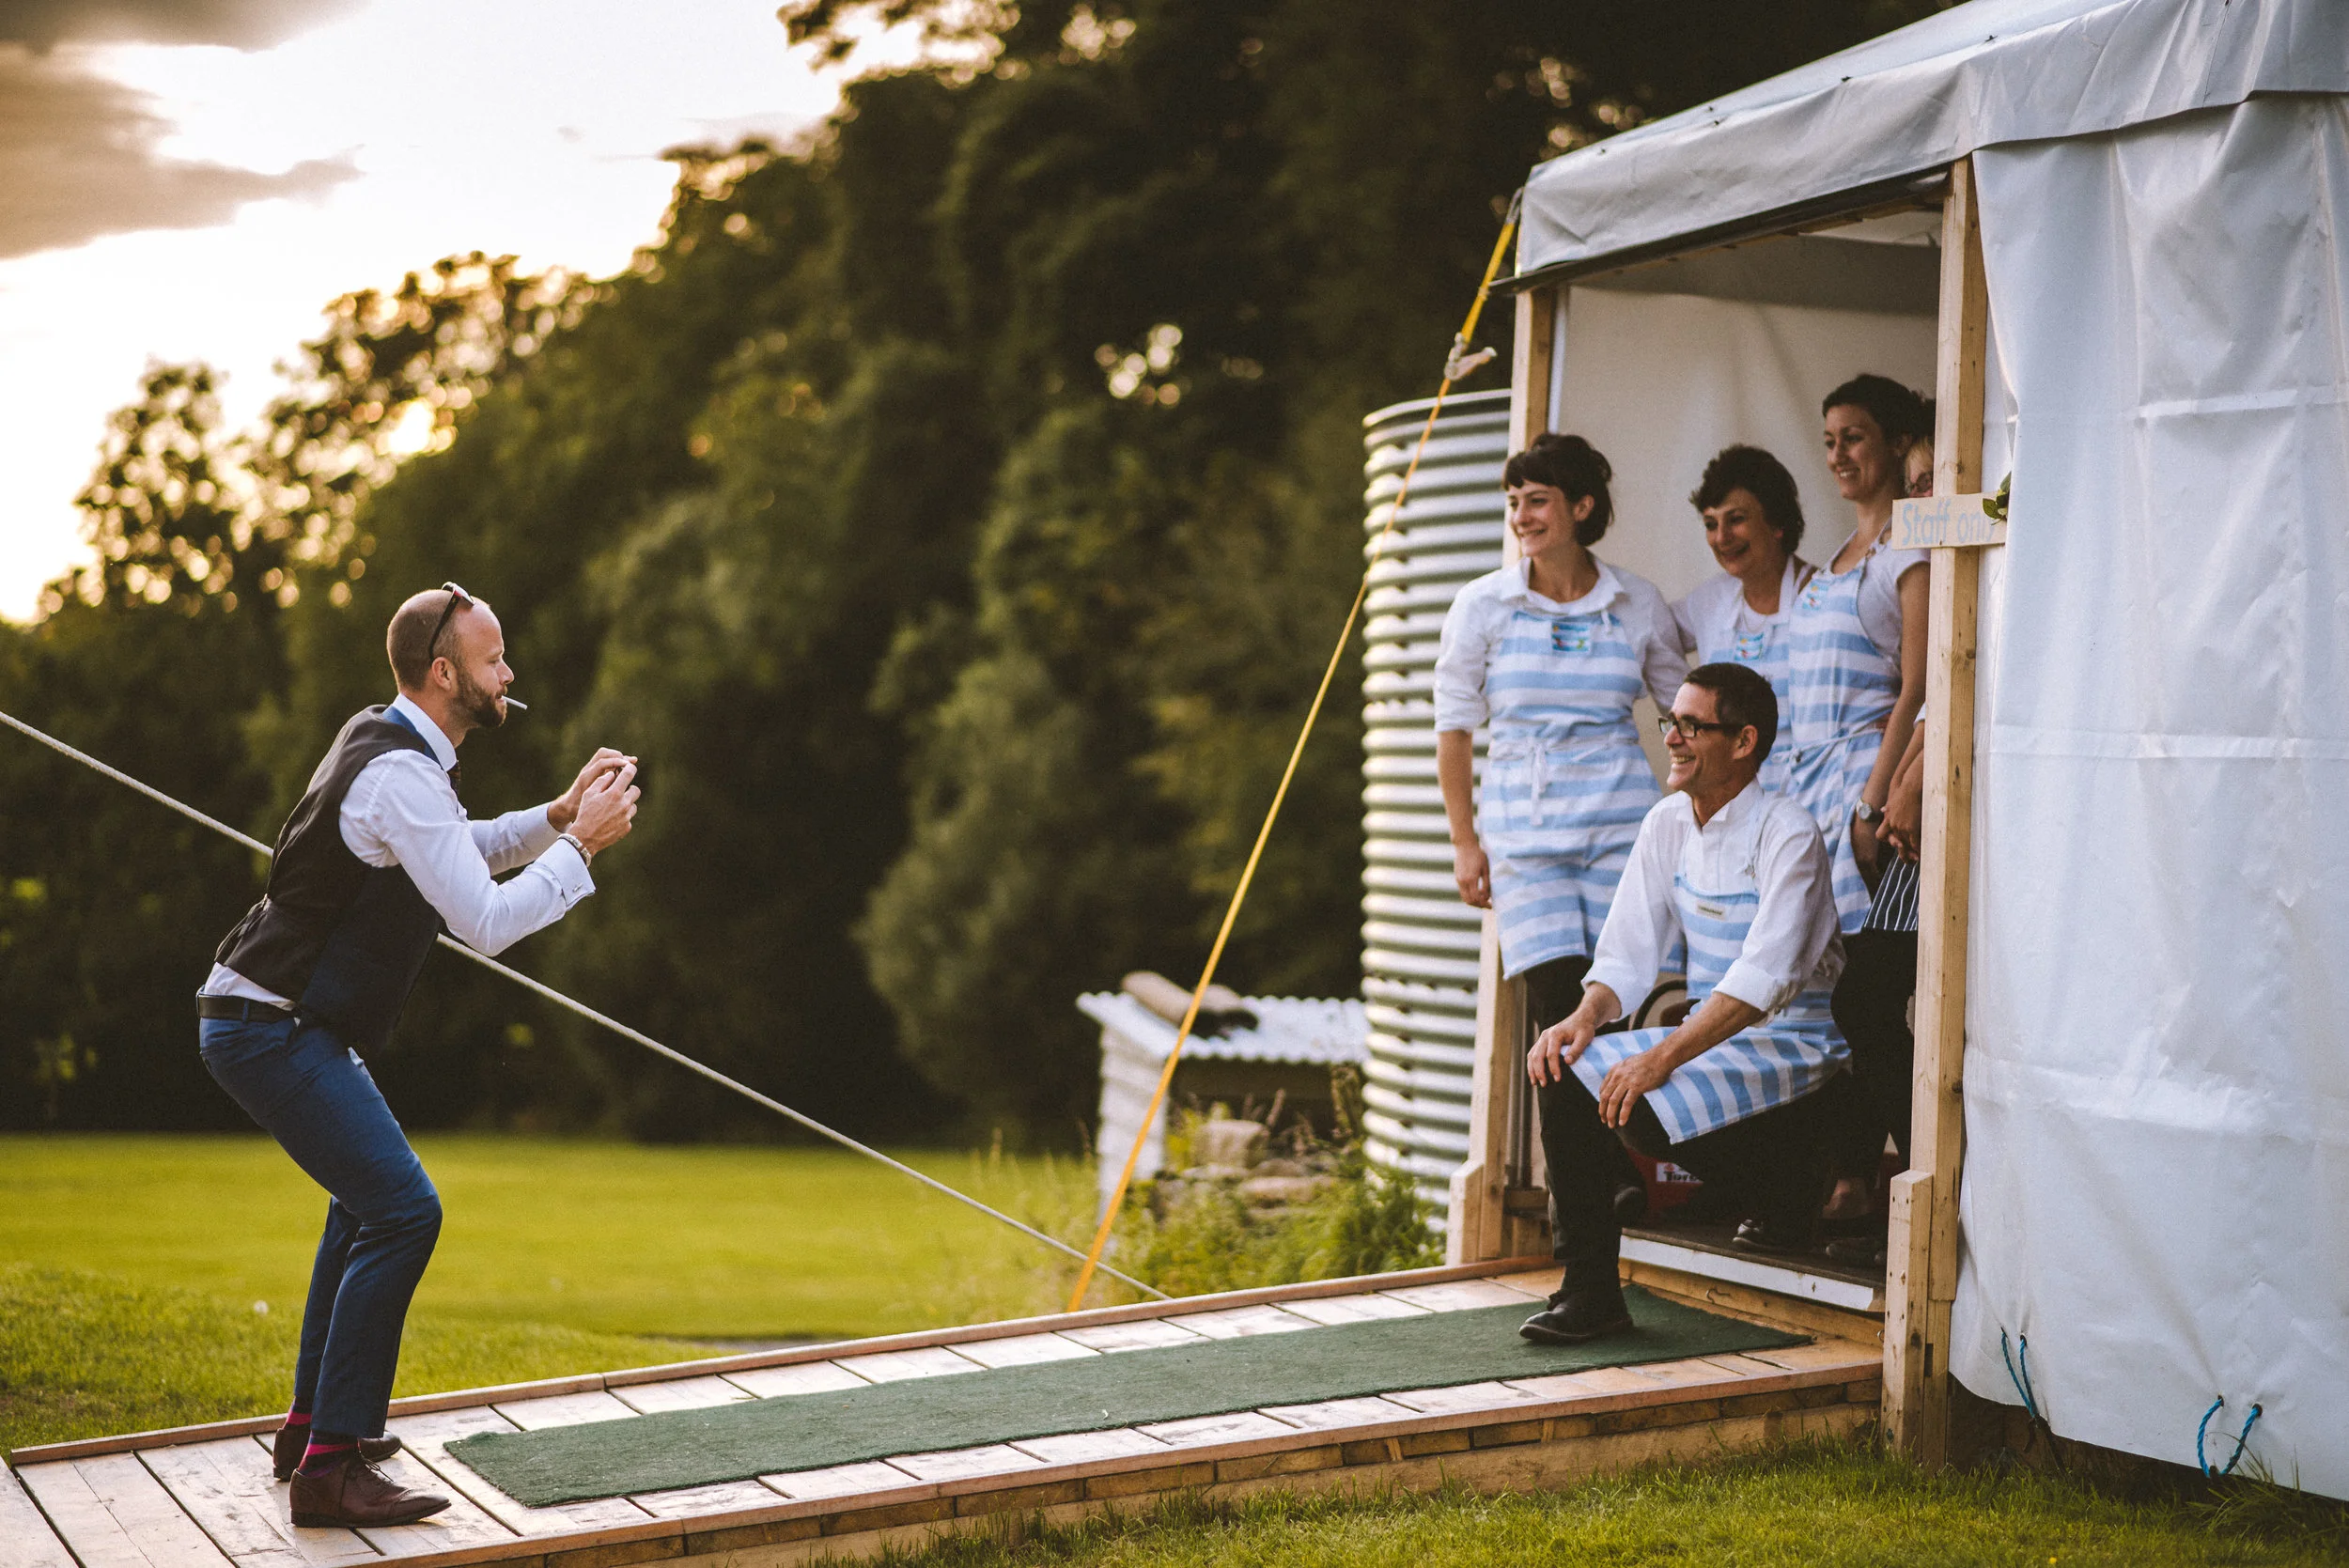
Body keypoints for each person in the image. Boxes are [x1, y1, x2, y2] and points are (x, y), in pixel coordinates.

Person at [196, 584, 639, 1528]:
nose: (508, 674)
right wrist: (584, 854)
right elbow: (480, 918)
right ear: (446, 674)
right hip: (271, 1023)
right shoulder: (400, 772)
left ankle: (314, 1433)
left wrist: (555, 817)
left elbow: (455, 850)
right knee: (403, 1211)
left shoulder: (393, 747)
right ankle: (333, 1470)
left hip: (269, 1016)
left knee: (364, 1209)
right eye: (493, 660)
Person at [1517, 662, 1848, 1343]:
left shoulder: (1788, 832)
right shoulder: (1667, 821)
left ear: (1744, 740)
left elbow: (1766, 979)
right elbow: (1626, 956)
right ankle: (1590, 1289)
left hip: (1795, 1039)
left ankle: (1789, 1175)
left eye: (1693, 726)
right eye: (1673, 721)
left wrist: (1659, 1056)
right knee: (1561, 1065)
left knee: (1636, 1095)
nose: (1673, 737)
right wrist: (1580, 1020)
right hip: (1713, 1037)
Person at [1435, 432, 1687, 1072]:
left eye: (1537, 500)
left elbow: (1684, 715)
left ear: (1581, 506)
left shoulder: (1637, 602)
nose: (1521, 516)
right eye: (1514, 501)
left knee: (1618, 1004)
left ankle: (1616, 1175)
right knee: (1557, 1006)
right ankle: (1586, 1180)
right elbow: (1455, 730)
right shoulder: (1482, 605)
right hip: (1525, 835)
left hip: (1619, 831)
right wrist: (1465, 842)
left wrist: (1684, 808)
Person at [1823, 430, 1937, 1252]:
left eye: (1937, 482)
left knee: (1867, 998)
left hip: (1944, 805)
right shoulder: (1914, 551)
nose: (1923, 498)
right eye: (1917, 483)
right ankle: (1889, 1183)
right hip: (1910, 798)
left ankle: (1919, 1189)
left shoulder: (1937, 564)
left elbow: (1935, 680)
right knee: (1865, 999)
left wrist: (1898, 780)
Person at [1784, 375, 1931, 939]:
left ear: (1896, 443)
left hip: (1864, 784)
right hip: (1811, 791)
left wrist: (1870, 809)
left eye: (1853, 438)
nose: (1837, 455)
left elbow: (1917, 688)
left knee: (1858, 974)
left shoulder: (1909, 549)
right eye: (1829, 441)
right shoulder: (1838, 555)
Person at [1672, 444, 1814, 797]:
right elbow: (1644, 632)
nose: (1722, 538)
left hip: (1806, 801)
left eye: (1736, 519)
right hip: (1729, 805)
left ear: (1777, 522)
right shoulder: (1709, 602)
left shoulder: (1820, 594)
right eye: (1710, 524)